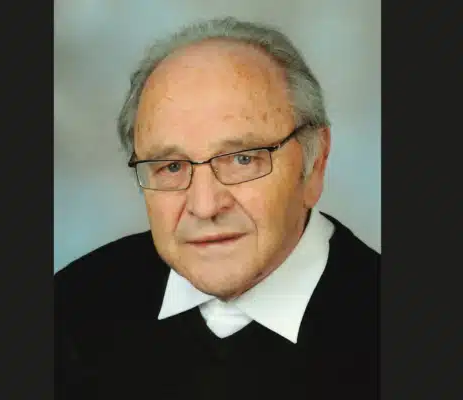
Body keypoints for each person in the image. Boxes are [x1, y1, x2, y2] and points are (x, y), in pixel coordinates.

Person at [55, 17, 379, 399]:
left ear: (315, 163)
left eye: (243, 159)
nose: (205, 206)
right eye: (171, 167)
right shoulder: (69, 309)